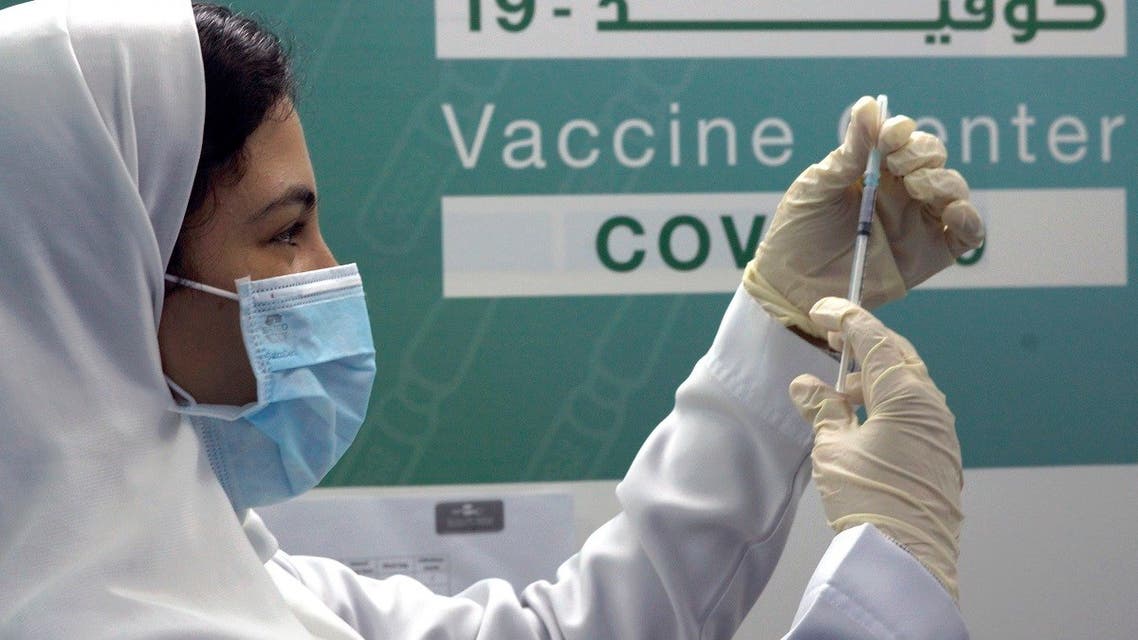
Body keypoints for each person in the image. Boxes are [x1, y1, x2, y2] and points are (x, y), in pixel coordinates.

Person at [0, 1, 983, 638]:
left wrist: (784, 324)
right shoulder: (109, 619)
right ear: (100, 283)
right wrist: (886, 585)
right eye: (286, 231)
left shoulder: (214, 569)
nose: (330, 271)